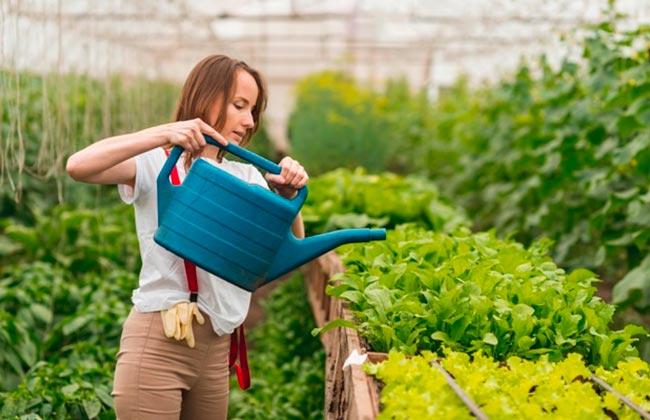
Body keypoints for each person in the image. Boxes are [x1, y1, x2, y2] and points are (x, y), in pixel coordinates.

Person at [66, 54, 309, 420]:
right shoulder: (157, 164)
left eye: (253, 110)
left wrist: (290, 198)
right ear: (205, 98)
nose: (248, 120)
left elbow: (289, 245)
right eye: (238, 105)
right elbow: (78, 166)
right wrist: (165, 133)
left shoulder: (247, 177)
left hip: (215, 349)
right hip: (159, 343)